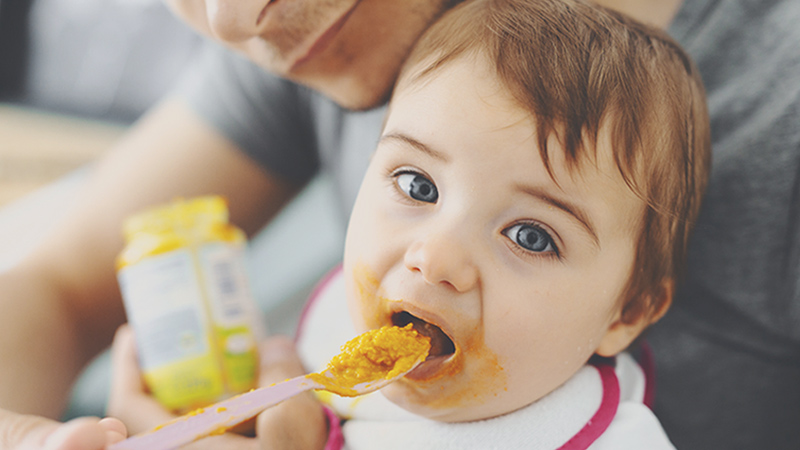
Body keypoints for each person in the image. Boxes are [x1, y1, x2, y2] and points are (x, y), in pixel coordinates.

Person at [1, 0, 798, 449]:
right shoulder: (314, 39)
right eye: (414, 183)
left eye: (531, 235)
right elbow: (58, 284)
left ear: (627, 310)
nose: (237, 18)